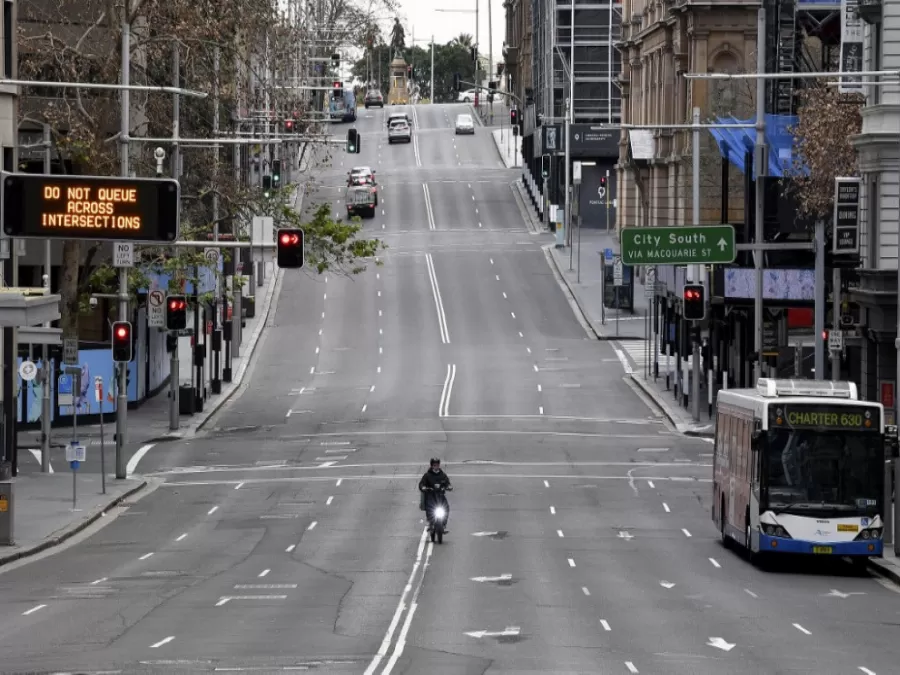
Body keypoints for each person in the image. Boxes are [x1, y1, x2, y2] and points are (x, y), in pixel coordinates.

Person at [419, 458, 452, 532]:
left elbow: (447, 483)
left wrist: (449, 486)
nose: (436, 467)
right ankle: (430, 522)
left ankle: (443, 524)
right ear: (431, 466)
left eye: (437, 465)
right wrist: (423, 487)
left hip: (440, 496)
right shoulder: (427, 475)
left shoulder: (442, 475)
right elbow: (421, 484)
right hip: (431, 496)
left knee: (446, 507)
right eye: (434, 465)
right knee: (429, 507)